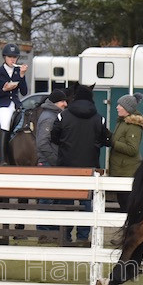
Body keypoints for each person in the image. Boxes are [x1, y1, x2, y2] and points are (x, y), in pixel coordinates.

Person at [51, 84, 112, 242]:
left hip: (66, 167)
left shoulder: (63, 116)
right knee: (87, 203)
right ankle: (83, 237)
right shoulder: (100, 118)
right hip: (89, 167)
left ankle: (65, 235)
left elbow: (54, 137)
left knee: (66, 202)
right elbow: (106, 139)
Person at [35, 89, 68, 241]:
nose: (65, 104)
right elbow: (42, 143)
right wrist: (56, 160)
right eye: (63, 101)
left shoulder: (52, 115)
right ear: (56, 102)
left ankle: (51, 231)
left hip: (50, 161)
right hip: (48, 162)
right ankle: (43, 232)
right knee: (47, 198)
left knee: (52, 197)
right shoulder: (49, 118)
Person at [108, 92, 143, 212]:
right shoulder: (122, 122)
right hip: (121, 171)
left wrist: (113, 143)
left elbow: (132, 149)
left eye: (120, 105)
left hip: (127, 173)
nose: (117, 107)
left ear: (127, 109)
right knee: (123, 205)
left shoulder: (133, 126)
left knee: (127, 207)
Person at [0, 43, 28, 165]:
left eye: (15, 57)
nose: (12, 60)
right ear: (5, 57)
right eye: (10, 57)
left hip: (16, 104)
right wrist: (3, 90)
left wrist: (21, 75)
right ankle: (2, 158)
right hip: (3, 105)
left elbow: (24, 92)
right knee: (5, 122)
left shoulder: (18, 71)